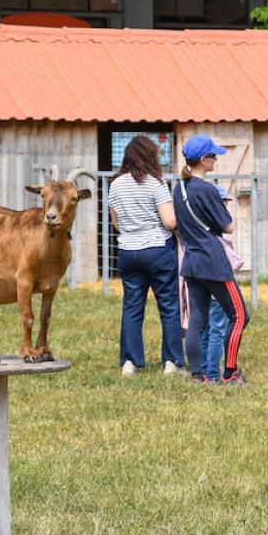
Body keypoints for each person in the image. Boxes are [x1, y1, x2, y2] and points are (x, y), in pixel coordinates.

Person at [174, 135, 248, 385]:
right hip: (213, 263)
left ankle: (199, 376)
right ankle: (230, 373)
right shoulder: (207, 189)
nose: (216, 160)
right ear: (204, 160)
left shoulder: (179, 187)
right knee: (239, 316)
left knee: (197, 321)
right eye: (213, 156)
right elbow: (227, 227)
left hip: (192, 261)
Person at [108, 135, 185, 377]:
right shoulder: (155, 183)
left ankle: (130, 362)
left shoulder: (115, 184)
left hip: (128, 251)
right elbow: (170, 221)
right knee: (169, 306)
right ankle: (171, 361)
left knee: (132, 306)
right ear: (149, 156)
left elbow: (116, 223)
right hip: (157, 249)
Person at [199, 185, 233, 382]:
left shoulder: (199, 228)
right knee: (217, 329)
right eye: (224, 203)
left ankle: (203, 371)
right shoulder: (221, 229)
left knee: (204, 328)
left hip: (201, 278)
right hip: (218, 280)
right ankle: (213, 374)